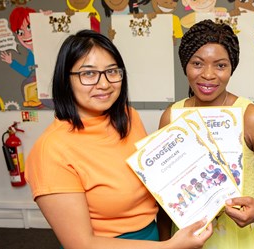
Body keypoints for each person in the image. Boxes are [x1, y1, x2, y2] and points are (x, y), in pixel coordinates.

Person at [25, 29, 212, 249]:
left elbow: (157, 180)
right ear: (66, 80)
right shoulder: (51, 150)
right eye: (88, 74)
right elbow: (82, 244)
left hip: (152, 237)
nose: (104, 84)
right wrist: (170, 247)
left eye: (112, 71)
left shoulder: (129, 116)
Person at [159, 19, 254, 248]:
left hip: (243, 241)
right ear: (185, 66)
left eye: (220, 65)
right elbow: (163, 198)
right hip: (188, 242)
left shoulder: (252, 118)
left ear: (231, 67)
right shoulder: (172, 116)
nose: (209, 75)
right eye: (198, 64)